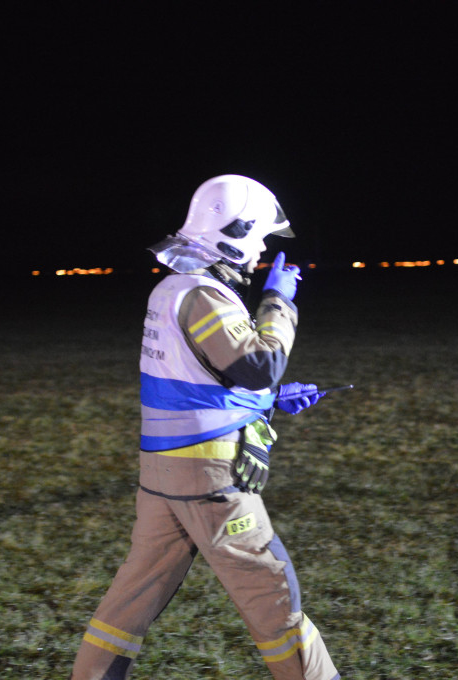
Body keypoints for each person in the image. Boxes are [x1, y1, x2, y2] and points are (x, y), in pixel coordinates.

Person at [71, 175, 340, 680]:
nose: (262, 247)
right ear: (232, 232)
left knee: (131, 600)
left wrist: (270, 400)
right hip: (209, 479)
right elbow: (259, 364)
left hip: (162, 475)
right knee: (273, 593)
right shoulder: (203, 294)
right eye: (257, 235)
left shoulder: (171, 289)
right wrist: (279, 302)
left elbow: (195, 379)